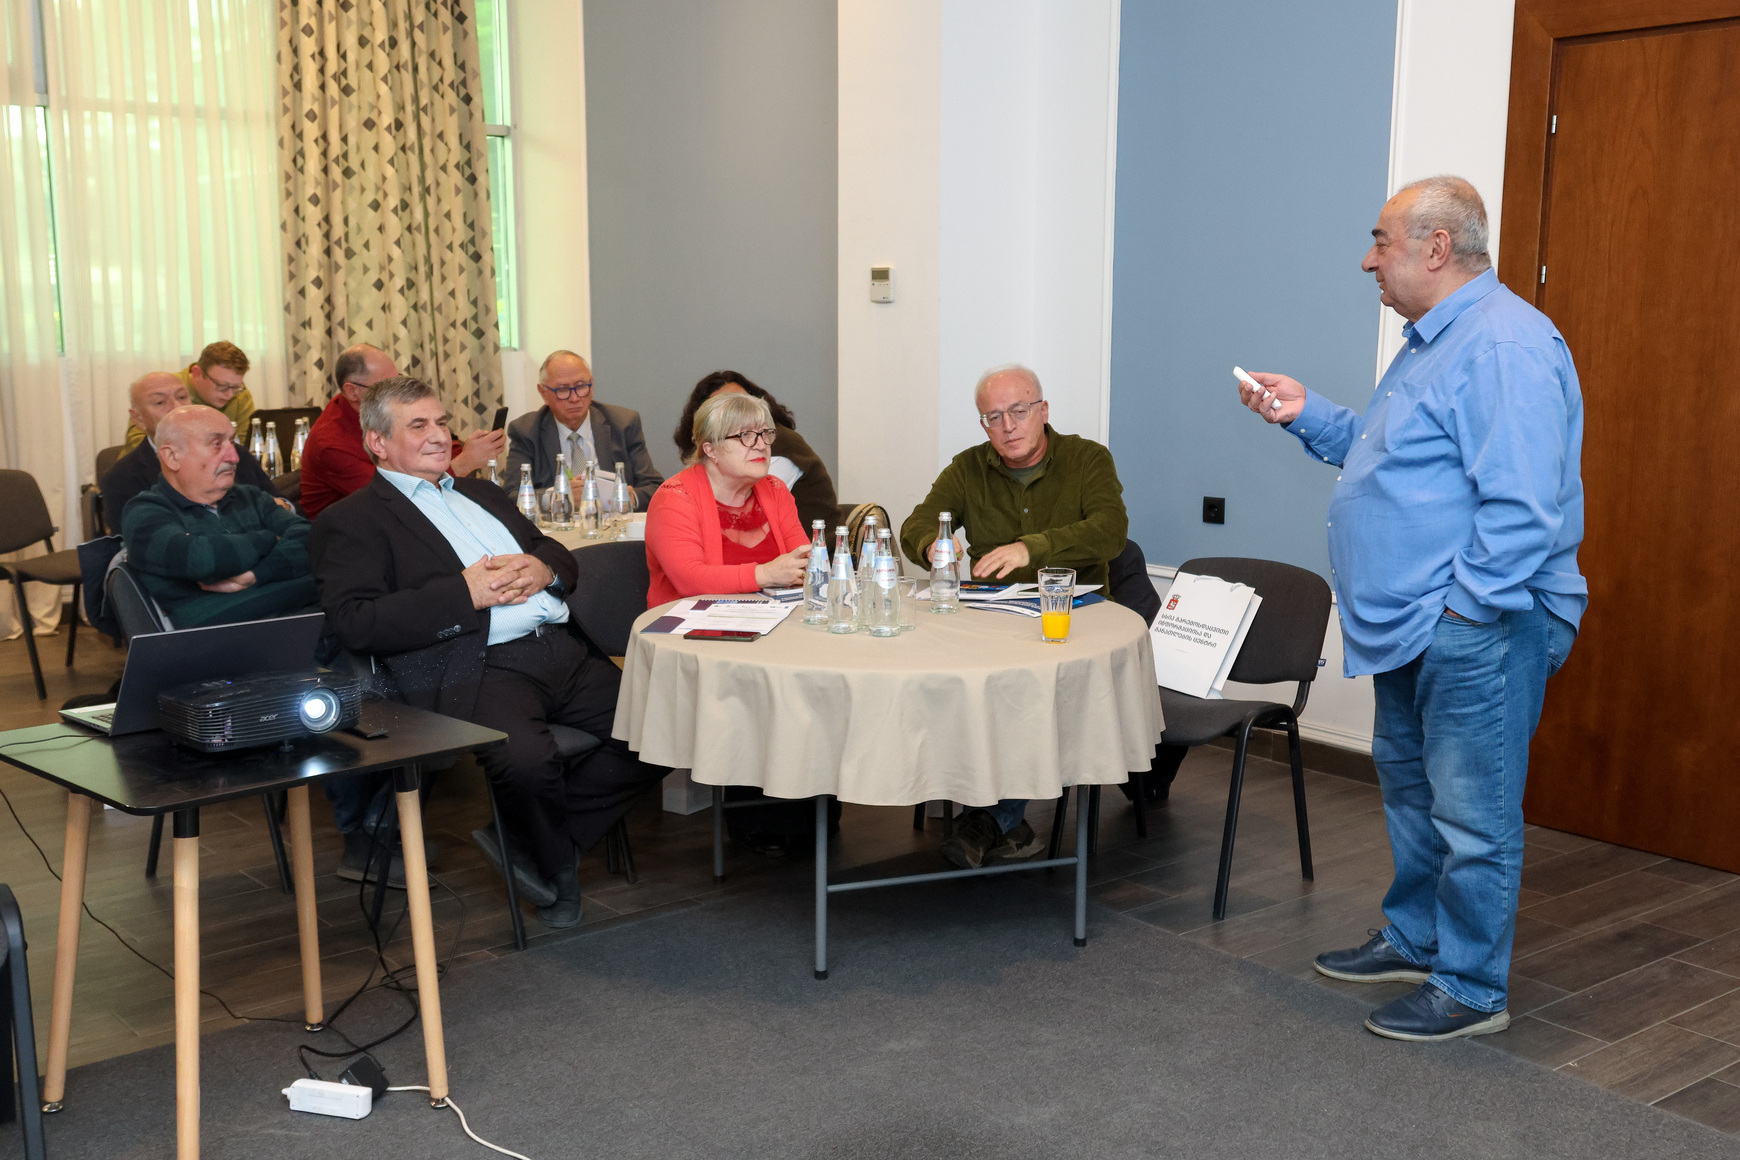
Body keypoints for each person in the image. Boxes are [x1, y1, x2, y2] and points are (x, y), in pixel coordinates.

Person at [1238, 176, 1584, 1042]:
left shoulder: (1503, 343)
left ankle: (1471, 987)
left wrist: (1465, 612)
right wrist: (1307, 414)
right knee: (1414, 793)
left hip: (1471, 624)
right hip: (1412, 623)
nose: (1368, 260)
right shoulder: (1436, 341)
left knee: (1472, 815)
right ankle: (1419, 938)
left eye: (1381, 241)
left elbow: (1523, 508)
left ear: (1436, 248)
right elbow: (1392, 457)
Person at [311, 376, 667, 928]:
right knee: (527, 763)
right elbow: (357, 624)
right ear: (377, 442)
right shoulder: (352, 520)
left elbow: (552, 549)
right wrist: (465, 593)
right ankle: (554, 865)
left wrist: (543, 568)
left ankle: (534, 846)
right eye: (419, 425)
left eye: (441, 422)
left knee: (665, 729)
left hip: (562, 650)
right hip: (478, 665)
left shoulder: (482, 492)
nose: (439, 435)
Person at [899, 364, 1129, 871]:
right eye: (993, 417)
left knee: (1025, 692)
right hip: (992, 616)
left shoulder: (1088, 459)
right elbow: (917, 523)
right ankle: (995, 815)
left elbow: (1110, 531)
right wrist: (932, 545)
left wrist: (1032, 548)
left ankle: (987, 819)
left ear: (1043, 411)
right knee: (964, 682)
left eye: (1019, 411)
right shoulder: (968, 468)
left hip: (1073, 615)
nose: (1007, 426)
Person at [120, 406, 318, 628]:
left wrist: (258, 574)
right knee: (329, 584)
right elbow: (202, 560)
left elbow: (312, 540)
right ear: (172, 457)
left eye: (231, 442)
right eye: (216, 444)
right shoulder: (145, 512)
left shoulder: (249, 497)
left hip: (303, 624)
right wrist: (272, 538)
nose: (234, 457)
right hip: (222, 640)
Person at [300, 342, 506, 519]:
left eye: (396, 379)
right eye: (383, 386)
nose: (395, 391)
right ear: (352, 391)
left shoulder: (388, 409)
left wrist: (470, 451)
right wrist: (465, 462)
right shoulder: (330, 443)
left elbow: (440, 448)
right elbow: (394, 494)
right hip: (361, 530)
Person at [644, 393, 811, 607]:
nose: (761, 445)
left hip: (773, 618)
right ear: (711, 450)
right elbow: (690, 580)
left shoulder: (775, 490)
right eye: (745, 435)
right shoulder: (674, 498)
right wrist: (765, 574)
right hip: (693, 621)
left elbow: (805, 563)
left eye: (765, 433)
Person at [101, 372, 280, 524]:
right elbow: (137, 545)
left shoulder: (235, 454)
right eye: (160, 402)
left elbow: (279, 505)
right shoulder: (121, 478)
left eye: (182, 397)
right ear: (138, 418)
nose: (178, 407)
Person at [673, 370, 839, 531]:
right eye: (727, 407)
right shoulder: (676, 495)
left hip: (821, 547)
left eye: (743, 401)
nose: (760, 444)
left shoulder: (778, 449)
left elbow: (742, 515)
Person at [503, 350, 663, 508]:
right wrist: (554, 497)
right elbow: (510, 496)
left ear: (591, 385)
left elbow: (655, 488)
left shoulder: (623, 424)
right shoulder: (526, 431)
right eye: (563, 390)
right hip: (556, 523)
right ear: (544, 393)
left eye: (581, 387)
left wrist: (631, 497)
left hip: (611, 520)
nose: (574, 398)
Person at [122, 341, 256, 451]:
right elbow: (137, 441)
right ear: (197, 373)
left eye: (235, 387)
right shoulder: (166, 390)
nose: (230, 394)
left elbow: (245, 445)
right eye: (222, 386)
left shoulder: (240, 396)